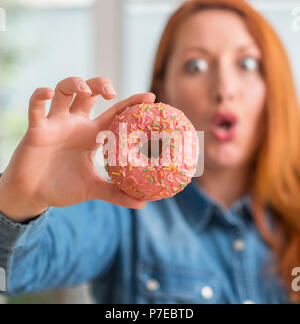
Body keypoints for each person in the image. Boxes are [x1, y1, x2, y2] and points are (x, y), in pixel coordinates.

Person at [0, 0, 300, 304]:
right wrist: (20, 199)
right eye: (195, 65)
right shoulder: (120, 213)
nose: (224, 88)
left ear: (273, 86)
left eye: (246, 64)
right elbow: (14, 271)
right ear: (164, 92)